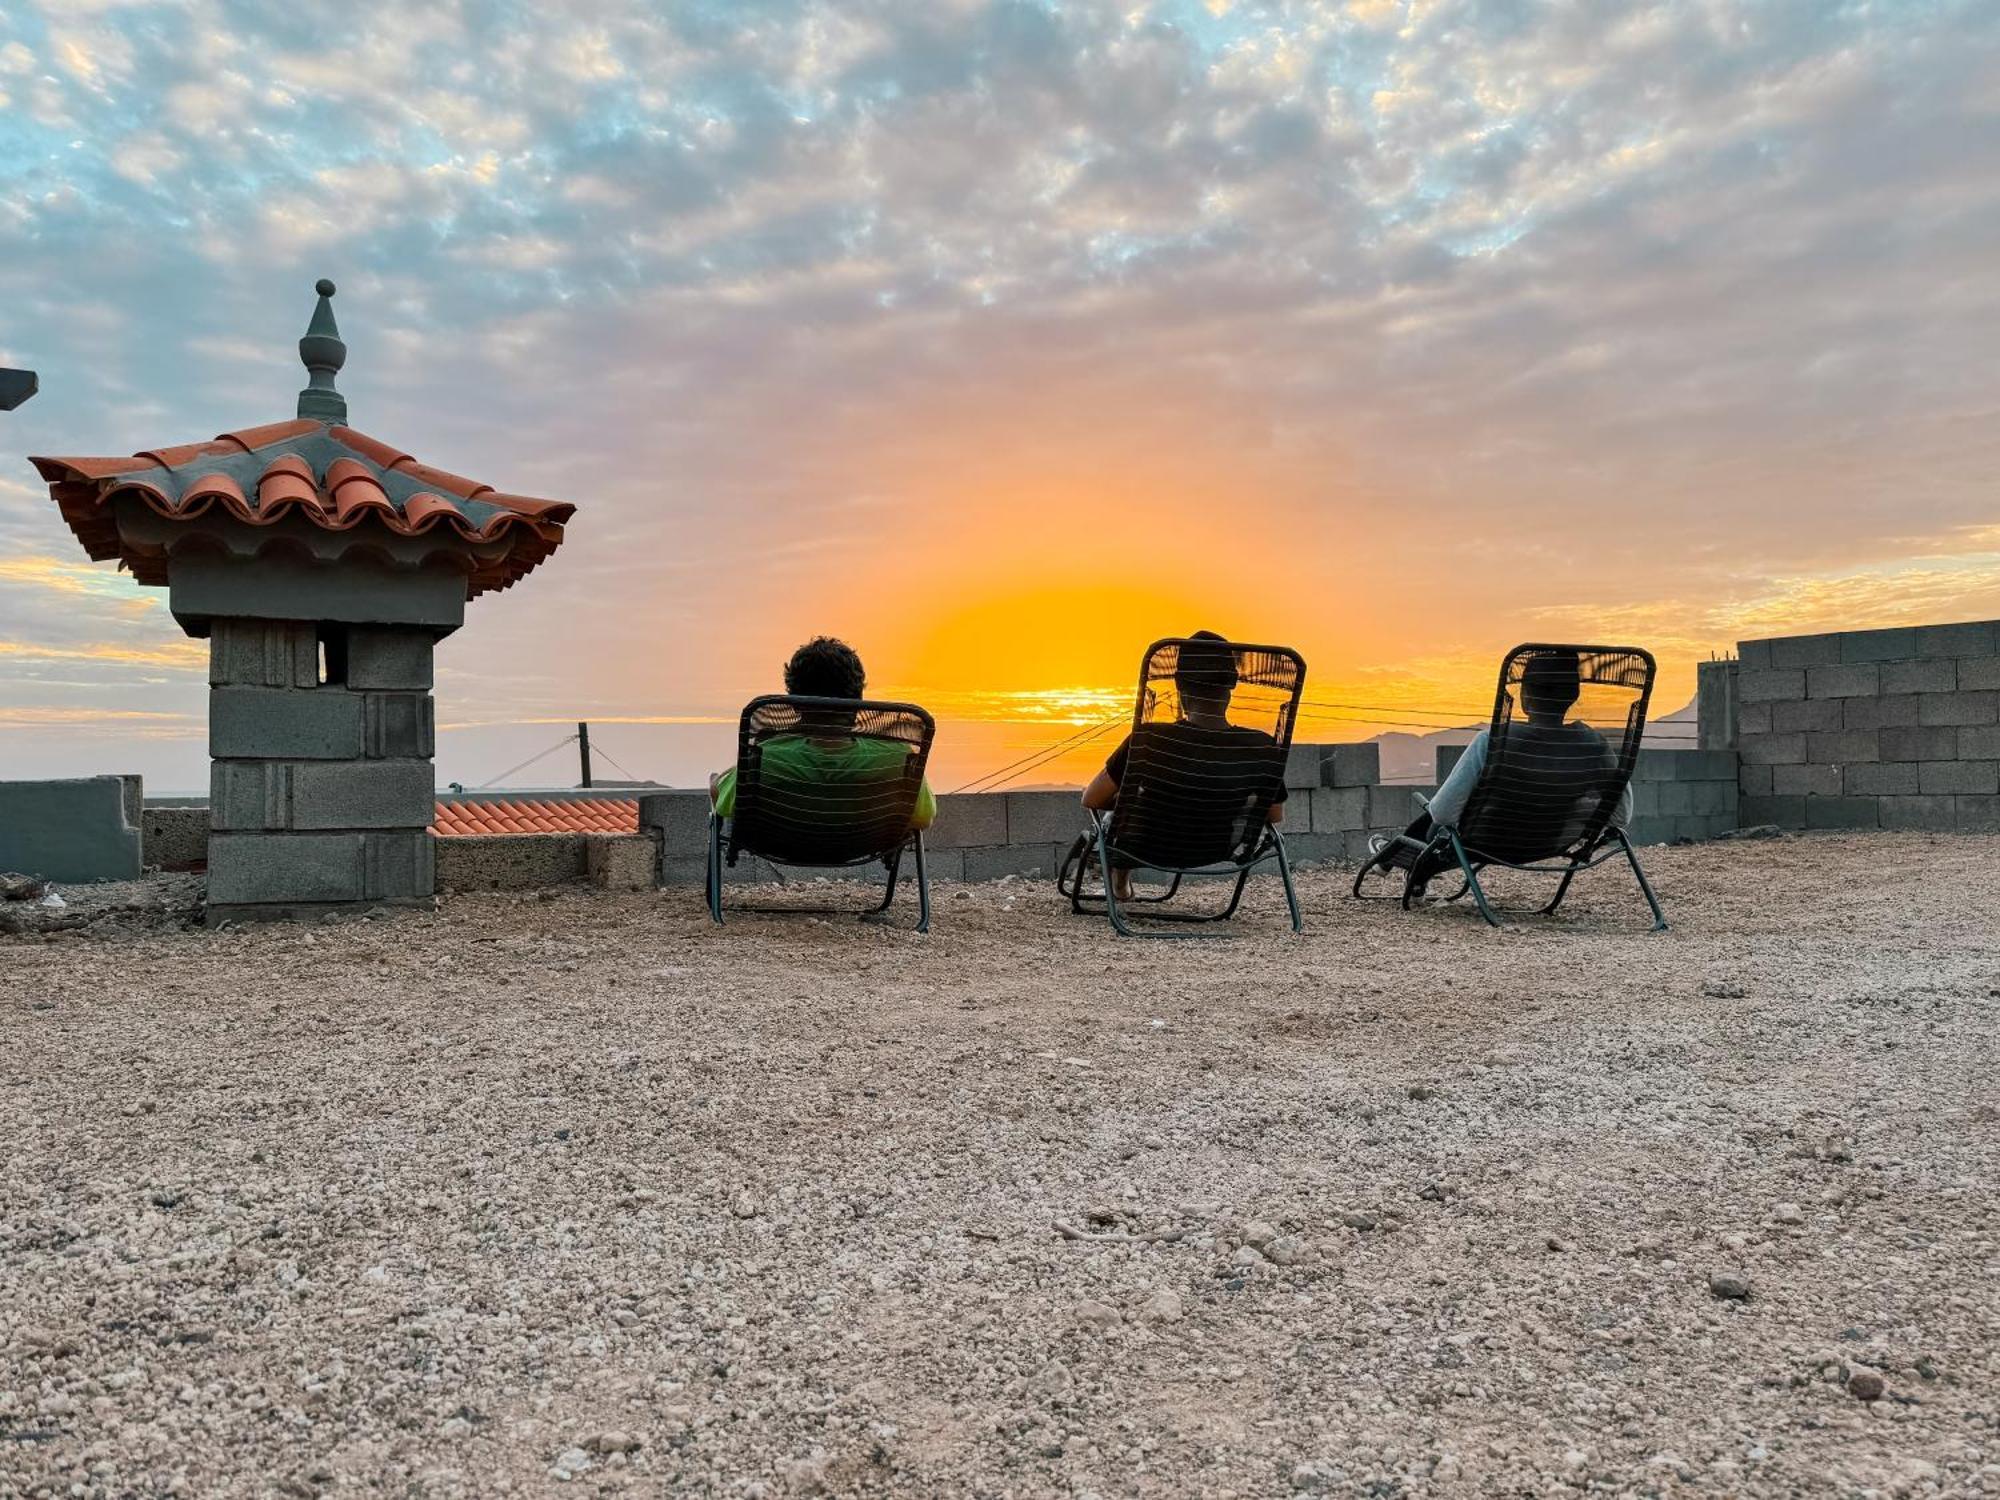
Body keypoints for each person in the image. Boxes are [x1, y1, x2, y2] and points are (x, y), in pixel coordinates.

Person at [1372, 648, 1630, 891]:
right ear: (1573, 696)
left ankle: (1394, 860)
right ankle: (1391, 860)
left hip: (1485, 842)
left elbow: (1443, 814)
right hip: (1551, 843)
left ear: (1524, 696)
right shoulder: (1596, 746)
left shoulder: (1493, 741)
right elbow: (1620, 816)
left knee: (1434, 816)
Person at [1081, 630, 1284, 899]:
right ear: (1231, 687)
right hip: (1216, 847)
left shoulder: (1150, 738)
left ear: (1180, 686)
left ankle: (1120, 881)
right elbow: (1274, 815)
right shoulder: (1260, 746)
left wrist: (1131, 798)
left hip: (1147, 845)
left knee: (1126, 809)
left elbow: (1091, 798)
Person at [710, 636, 936, 830]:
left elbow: (725, 803)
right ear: (858, 700)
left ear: (794, 702)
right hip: (864, 846)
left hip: (779, 843)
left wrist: (718, 781)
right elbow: (923, 818)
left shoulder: (765, 757)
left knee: (716, 783)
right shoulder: (897, 758)